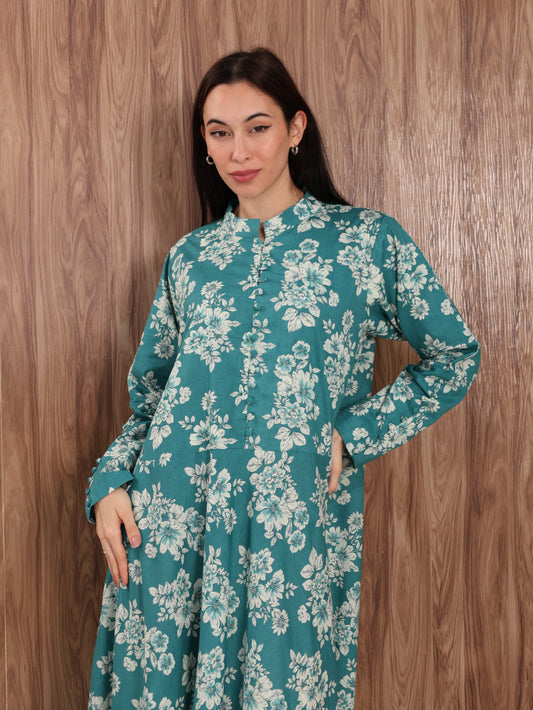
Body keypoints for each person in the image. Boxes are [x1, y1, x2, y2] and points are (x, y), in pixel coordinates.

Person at [87, 48, 480, 710]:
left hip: (289, 535)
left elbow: (454, 356)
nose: (238, 150)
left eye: (258, 127)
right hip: (171, 531)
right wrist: (108, 484)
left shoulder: (364, 243)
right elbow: (151, 401)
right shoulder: (189, 259)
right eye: (219, 132)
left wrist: (352, 435)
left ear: (296, 128)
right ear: (204, 144)